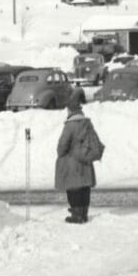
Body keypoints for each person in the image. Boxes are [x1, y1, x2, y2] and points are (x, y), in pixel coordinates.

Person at [54, 90, 100, 224]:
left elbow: (62, 146)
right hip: (85, 160)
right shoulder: (87, 123)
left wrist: (60, 153)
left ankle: (76, 213)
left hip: (72, 162)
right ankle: (84, 212)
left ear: (70, 110)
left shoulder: (70, 126)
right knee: (84, 187)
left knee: (73, 187)